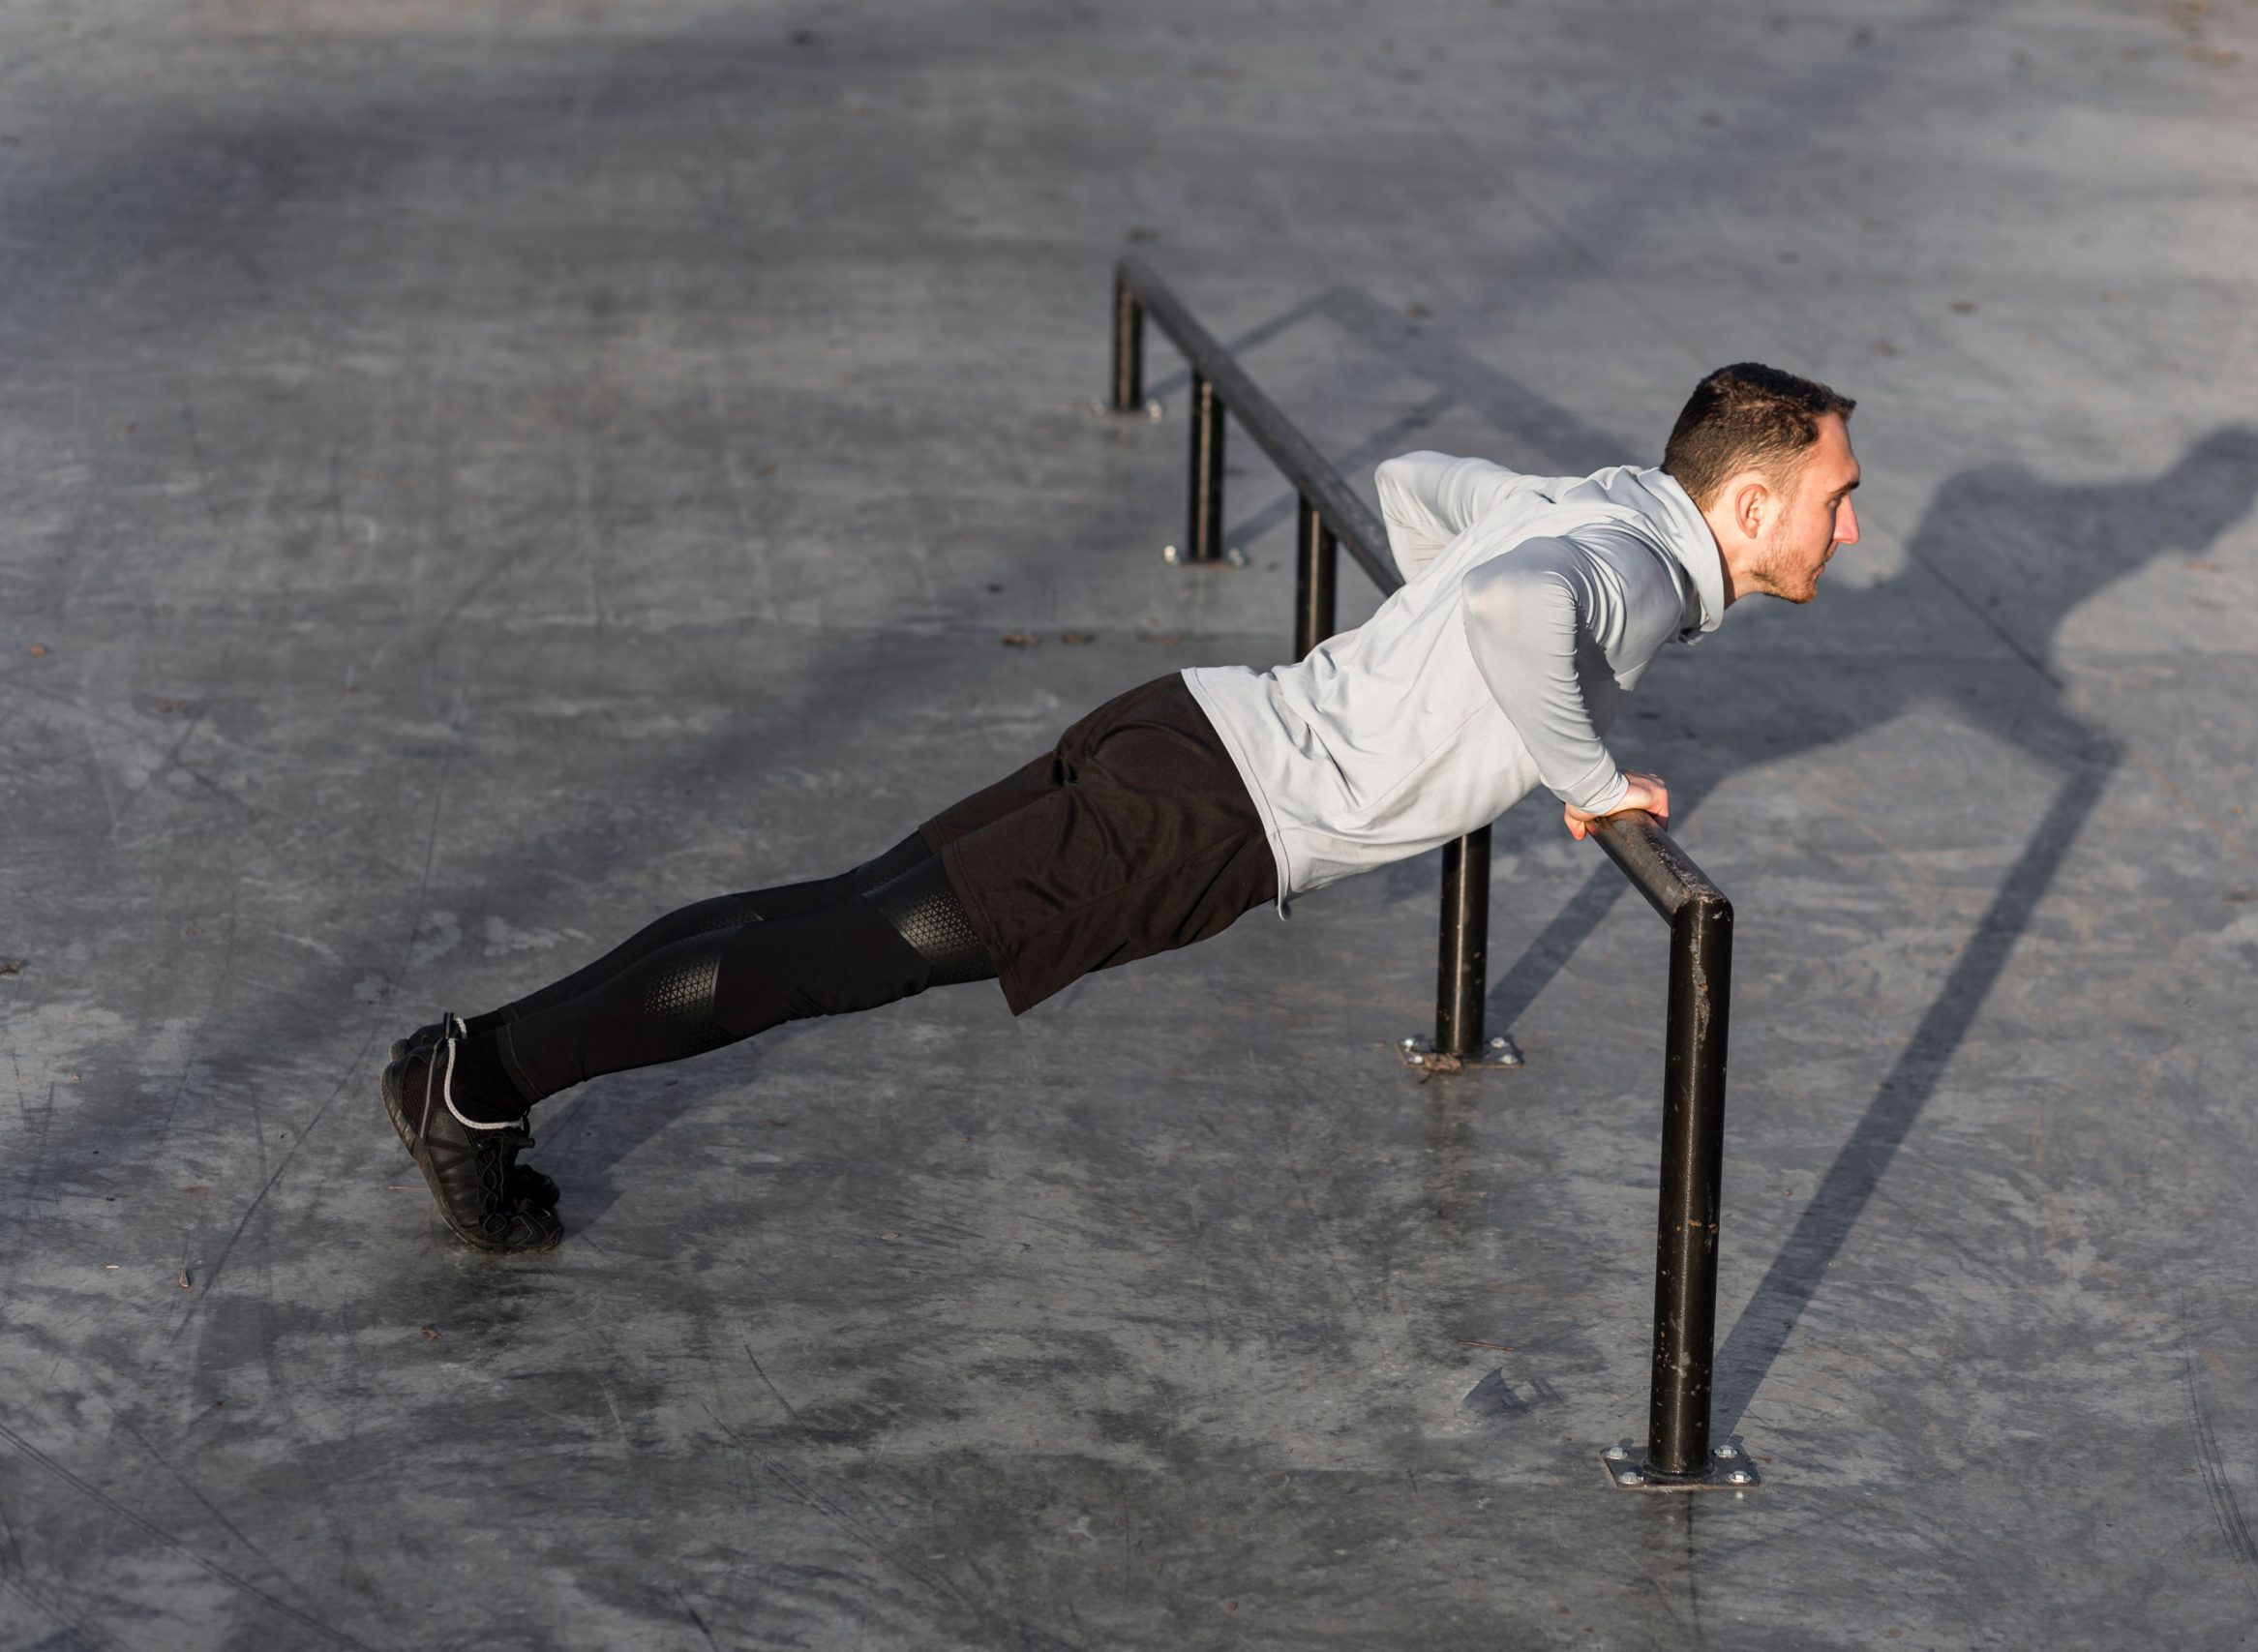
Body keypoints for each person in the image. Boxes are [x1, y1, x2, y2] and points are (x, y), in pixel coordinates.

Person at [381, 362, 1862, 1250]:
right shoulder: (1644, 573)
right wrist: (1591, 783)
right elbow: (1524, 611)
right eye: (1834, 496)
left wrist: (1415, 673)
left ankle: (479, 1066)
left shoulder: (1598, 500)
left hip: (1186, 724)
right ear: (1745, 506)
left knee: (823, 915)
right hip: (1204, 817)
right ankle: (478, 1081)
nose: (1850, 523)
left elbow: (1418, 484)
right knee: (821, 956)